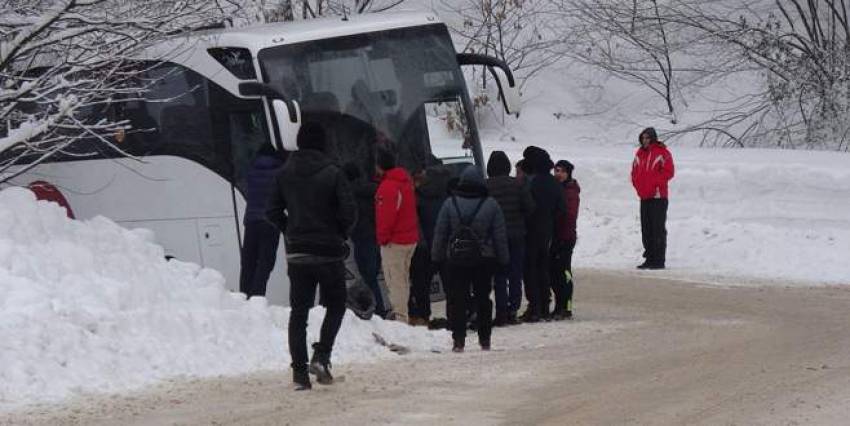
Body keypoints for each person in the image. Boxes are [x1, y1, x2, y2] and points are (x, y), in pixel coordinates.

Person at [266, 123, 357, 391]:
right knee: (337, 305)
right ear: (323, 144)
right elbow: (349, 213)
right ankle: (322, 355)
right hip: (328, 253)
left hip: (298, 254)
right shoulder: (333, 173)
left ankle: (299, 374)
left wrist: (290, 230)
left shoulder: (283, 174)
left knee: (299, 313)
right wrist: (338, 233)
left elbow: (271, 211)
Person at [432, 166, 509, 352]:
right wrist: (503, 260)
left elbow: (440, 233)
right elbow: (499, 235)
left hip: (456, 259)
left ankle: (458, 340)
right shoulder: (491, 204)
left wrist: (436, 257)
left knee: (458, 299)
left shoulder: (450, 203)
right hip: (484, 259)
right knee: (483, 298)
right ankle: (485, 339)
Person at [485, 151, 535, 326]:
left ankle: (501, 312)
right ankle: (513, 309)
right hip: (517, 235)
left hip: (495, 237)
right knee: (515, 273)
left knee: (499, 274)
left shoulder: (486, 186)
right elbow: (529, 208)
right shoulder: (518, 185)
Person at [520, 146, 565, 322]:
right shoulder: (554, 183)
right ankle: (545, 304)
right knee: (543, 267)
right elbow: (561, 208)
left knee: (530, 268)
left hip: (530, 229)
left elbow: (524, 205)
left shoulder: (530, 182)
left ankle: (535, 306)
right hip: (547, 230)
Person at [375, 147, 419, 321]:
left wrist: (382, 239)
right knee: (403, 278)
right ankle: (402, 313)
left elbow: (386, 217)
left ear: (379, 166)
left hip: (395, 242)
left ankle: (400, 318)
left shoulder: (387, 187)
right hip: (409, 239)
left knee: (395, 281)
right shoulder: (405, 182)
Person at [409, 161, 451, 326]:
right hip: (445, 245)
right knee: (450, 285)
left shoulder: (418, 196)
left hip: (424, 247)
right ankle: (455, 315)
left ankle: (423, 316)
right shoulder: (447, 193)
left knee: (421, 285)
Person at [240, 144, 285, 298]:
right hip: (270, 223)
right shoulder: (279, 173)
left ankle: (244, 295)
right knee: (265, 263)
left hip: (252, 221)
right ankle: (257, 296)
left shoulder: (251, 171)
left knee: (248, 261)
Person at [343, 162, 387, 317]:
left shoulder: (348, 194)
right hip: (379, 237)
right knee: (373, 275)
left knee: (368, 277)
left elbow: (349, 217)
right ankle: (380, 308)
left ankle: (378, 311)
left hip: (362, 238)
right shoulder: (373, 190)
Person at [631, 127, 675, 270]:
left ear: (653, 138)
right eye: (643, 138)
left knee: (658, 229)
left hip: (658, 197)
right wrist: (638, 186)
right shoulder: (639, 154)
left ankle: (658, 260)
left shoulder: (663, 153)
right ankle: (649, 258)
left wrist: (655, 184)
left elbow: (669, 172)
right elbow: (634, 172)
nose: (645, 141)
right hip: (644, 196)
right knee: (646, 229)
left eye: (648, 138)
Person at [551, 160, 580, 320]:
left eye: (561, 171)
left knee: (564, 272)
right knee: (554, 273)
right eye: (556, 171)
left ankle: (566, 306)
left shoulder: (571, 191)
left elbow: (569, 215)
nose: (558, 174)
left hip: (566, 237)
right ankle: (558, 305)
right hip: (556, 236)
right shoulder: (558, 189)